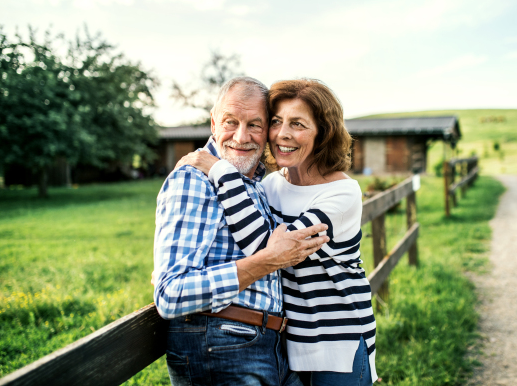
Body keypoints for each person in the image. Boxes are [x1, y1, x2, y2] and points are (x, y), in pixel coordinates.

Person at [177, 78, 377, 386]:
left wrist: (218, 169)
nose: (283, 134)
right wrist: (181, 270)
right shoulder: (270, 185)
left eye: (297, 124)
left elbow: (270, 250)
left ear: (322, 133)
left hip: (337, 345)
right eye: (276, 122)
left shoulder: (342, 193)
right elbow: (241, 239)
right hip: (286, 346)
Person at [152, 76, 330, 386]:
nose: (240, 136)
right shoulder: (194, 179)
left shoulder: (257, 186)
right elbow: (171, 295)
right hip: (223, 346)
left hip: (270, 345)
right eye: (230, 122)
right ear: (213, 123)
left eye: (255, 125)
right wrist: (268, 261)